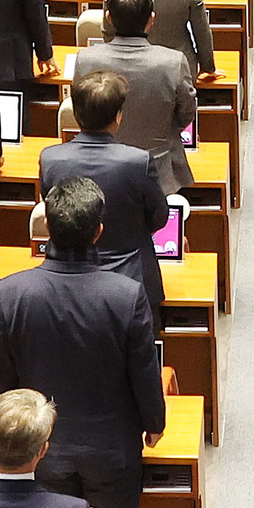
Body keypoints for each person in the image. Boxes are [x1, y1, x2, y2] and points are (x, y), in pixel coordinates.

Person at [0, 171, 166, 508]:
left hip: (41, 446)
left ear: (46, 226)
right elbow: (143, 371)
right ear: (99, 231)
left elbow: (3, 380)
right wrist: (154, 424)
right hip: (111, 450)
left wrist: (4, 432)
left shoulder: (10, 293)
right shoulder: (126, 295)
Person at [40, 66, 172, 319]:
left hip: (67, 277)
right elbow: (159, 217)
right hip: (132, 276)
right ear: (118, 116)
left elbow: (56, 213)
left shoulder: (50, 159)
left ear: (76, 114)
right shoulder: (138, 161)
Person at [68, 0, 195, 203]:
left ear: (108, 17)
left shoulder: (85, 60)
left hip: (96, 173)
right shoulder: (173, 62)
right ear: (151, 19)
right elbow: (186, 114)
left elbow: (82, 113)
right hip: (157, 172)